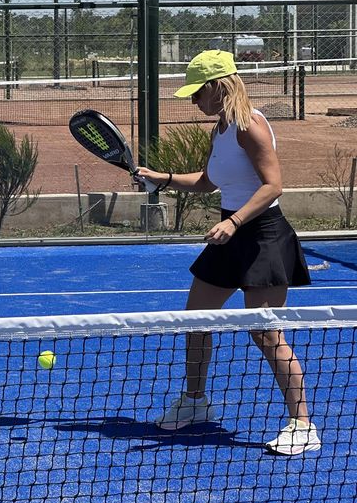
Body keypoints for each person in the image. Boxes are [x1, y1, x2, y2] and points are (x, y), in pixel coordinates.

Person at [137, 49, 319, 456]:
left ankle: (303, 424)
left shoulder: (249, 126)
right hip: (230, 237)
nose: (192, 101)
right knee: (196, 321)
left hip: (263, 237)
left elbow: (273, 185)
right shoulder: (219, 128)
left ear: (219, 87)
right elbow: (208, 181)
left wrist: (234, 222)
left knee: (266, 334)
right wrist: (162, 178)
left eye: (196, 92)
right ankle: (195, 402)